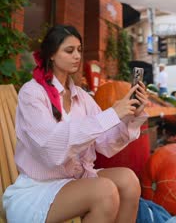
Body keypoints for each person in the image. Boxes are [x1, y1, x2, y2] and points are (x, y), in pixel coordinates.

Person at [3, 25, 148, 223]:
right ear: (51, 55)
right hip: (39, 188)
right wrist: (112, 113)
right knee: (104, 191)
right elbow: (52, 150)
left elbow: (105, 144)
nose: (77, 56)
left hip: (75, 181)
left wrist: (131, 116)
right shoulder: (32, 93)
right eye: (69, 50)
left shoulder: (82, 97)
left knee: (128, 180)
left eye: (79, 50)